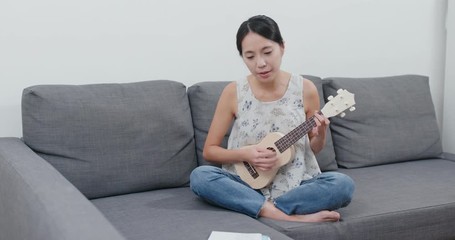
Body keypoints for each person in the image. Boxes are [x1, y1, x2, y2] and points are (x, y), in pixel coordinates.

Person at [190, 15, 354, 222]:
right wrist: (247, 154)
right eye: (250, 57)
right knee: (200, 177)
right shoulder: (233, 92)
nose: (260, 63)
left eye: (267, 52)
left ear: (282, 47)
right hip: (244, 183)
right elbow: (210, 151)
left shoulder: (305, 89)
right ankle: (288, 216)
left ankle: (262, 208)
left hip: (294, 185)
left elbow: (313, 149)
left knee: (342, 184)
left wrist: (320, 133)